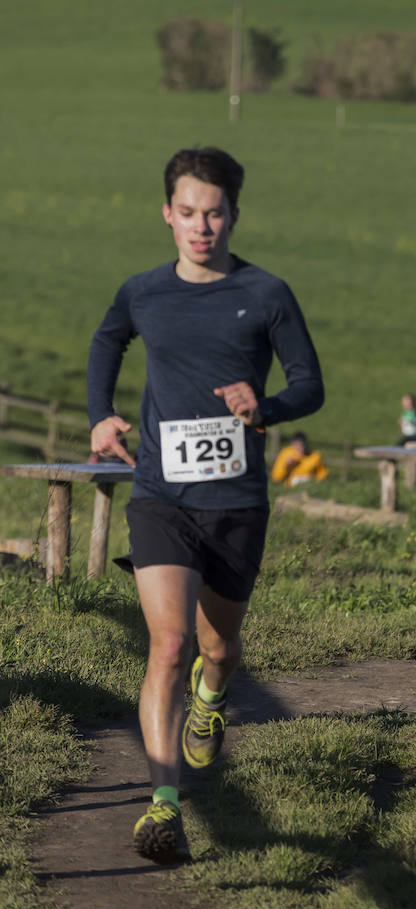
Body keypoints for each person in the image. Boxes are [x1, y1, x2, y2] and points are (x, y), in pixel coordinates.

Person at [86, 146, 324, 864]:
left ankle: (211, 700)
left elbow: (309, 383)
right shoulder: (143, 292)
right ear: (168, 214)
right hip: (161, 495)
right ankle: (163, 806)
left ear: (233, 216)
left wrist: (267, 406)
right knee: (167, 643)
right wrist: (102, 413)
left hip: (236, 503)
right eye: (188, 213)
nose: (201, 226)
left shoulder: (267, 292)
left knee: (217, 648)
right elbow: (107, 341)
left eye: (214, 213)